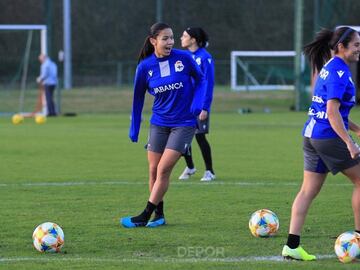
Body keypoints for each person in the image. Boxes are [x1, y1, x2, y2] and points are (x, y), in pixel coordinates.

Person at [282, 26, 360, 261]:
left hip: (312, 134)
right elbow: (332, 112)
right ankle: (358, 238)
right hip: (328, 136)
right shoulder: (339, 72)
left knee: (308, 191)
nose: (359, 49)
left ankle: (292, 246)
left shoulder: (329, 68)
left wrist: (357, 129)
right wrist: (350, 142)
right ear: (340, 47)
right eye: (356, 44)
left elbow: (334, 112)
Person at [120, 22, 206, 228]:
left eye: (172, 38)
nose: (170, 42)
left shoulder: (184, 58)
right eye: (165, 38)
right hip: (159, 123)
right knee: (152, 170)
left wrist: (197, 103)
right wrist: (135, 127)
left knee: (164, 169)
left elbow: (202, 80)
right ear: (153, 41)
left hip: (184, 123)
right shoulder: (145, 67)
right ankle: (159, 216)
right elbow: (137, 98)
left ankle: (144, 215)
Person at [178, 27, 216, 182]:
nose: (181, 38)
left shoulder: (205, 58)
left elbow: (208, 83)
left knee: (200, 137)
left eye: (184, 36)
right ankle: (190, 166)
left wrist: (205, 107)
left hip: (198, 104)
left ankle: (210, 171)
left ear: (193, 39)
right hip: (183, 104)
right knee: (180, 136)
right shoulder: (184, 56)